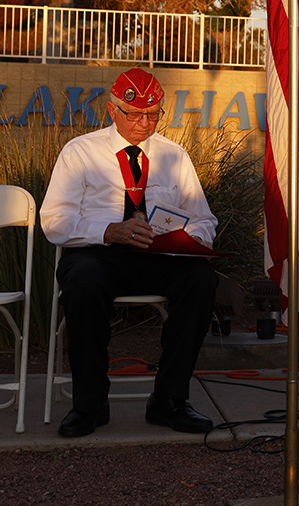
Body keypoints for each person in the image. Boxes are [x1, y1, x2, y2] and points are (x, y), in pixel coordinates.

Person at [40, 68, 219, 437]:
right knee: (83, 284)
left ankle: (169, 400)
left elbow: (204, 219)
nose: (144, 123)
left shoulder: (175, 156)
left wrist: (197, 240)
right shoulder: (81, 152)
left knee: (200, 280)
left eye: (153, 115)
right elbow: (54, 220)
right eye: (134, 114)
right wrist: (109, 230)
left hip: (159, 255)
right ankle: (90, 404)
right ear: (111, 110)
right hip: (98, 252)